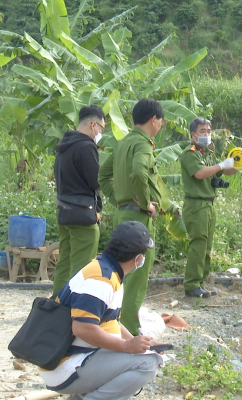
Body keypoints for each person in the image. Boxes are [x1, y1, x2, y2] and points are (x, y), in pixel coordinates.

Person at [38, 221, 163, 399]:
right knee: (148, 364)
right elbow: (82, 328)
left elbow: (111, 321)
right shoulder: (100, 279)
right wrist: (126, 346)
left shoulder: (109, 270)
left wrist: (139, 343)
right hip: (65, 364)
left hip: (76, 358)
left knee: (146, 355)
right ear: (137, 257)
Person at [98, 98, 175, 335]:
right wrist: (144, 203)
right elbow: (140, 172)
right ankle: (129, 329)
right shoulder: (143, 145)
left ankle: (113, 322)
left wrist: (119, 199)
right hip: (139, 220)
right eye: (160, 122)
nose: (160, 127)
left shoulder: (123, 143)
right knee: (137, 275)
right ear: (154, 120)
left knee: (121, 273)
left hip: (123, 215)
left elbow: (103, 175)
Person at [179, 117, 242, 297]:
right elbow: (200, 173)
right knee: (198, 244)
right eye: (202, 131)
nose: (207, 134)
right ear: (193, 134)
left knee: (207, 245)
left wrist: (238, 165)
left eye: (209, 131)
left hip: (209, 203)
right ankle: (192, 284)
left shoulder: (207, 153)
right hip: (196, 204)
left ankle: (200, 282)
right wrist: (222, 164)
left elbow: (224, 171)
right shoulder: (190, 153)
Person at [53, 105, 105, 294]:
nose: (101, 133)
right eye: (102, 128)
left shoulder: (63, 146)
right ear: (93, 125)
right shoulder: (86, 146)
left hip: (64, 211)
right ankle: (77, 310)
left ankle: (57, 305)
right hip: (83, 215)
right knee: (82, 267)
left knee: (65, 263)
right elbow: (96, 180)